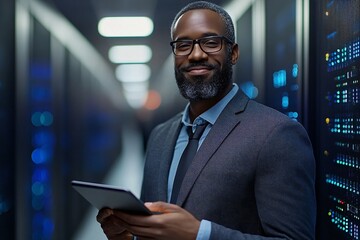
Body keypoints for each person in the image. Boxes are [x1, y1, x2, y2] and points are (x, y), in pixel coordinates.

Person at [96, 1, 316, 239]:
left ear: (233, 53)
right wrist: (128, 236)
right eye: (183, 45)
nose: (196, 54)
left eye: (211, 43)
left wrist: (200, 234)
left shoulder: (276, 134)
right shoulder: (160, 137)